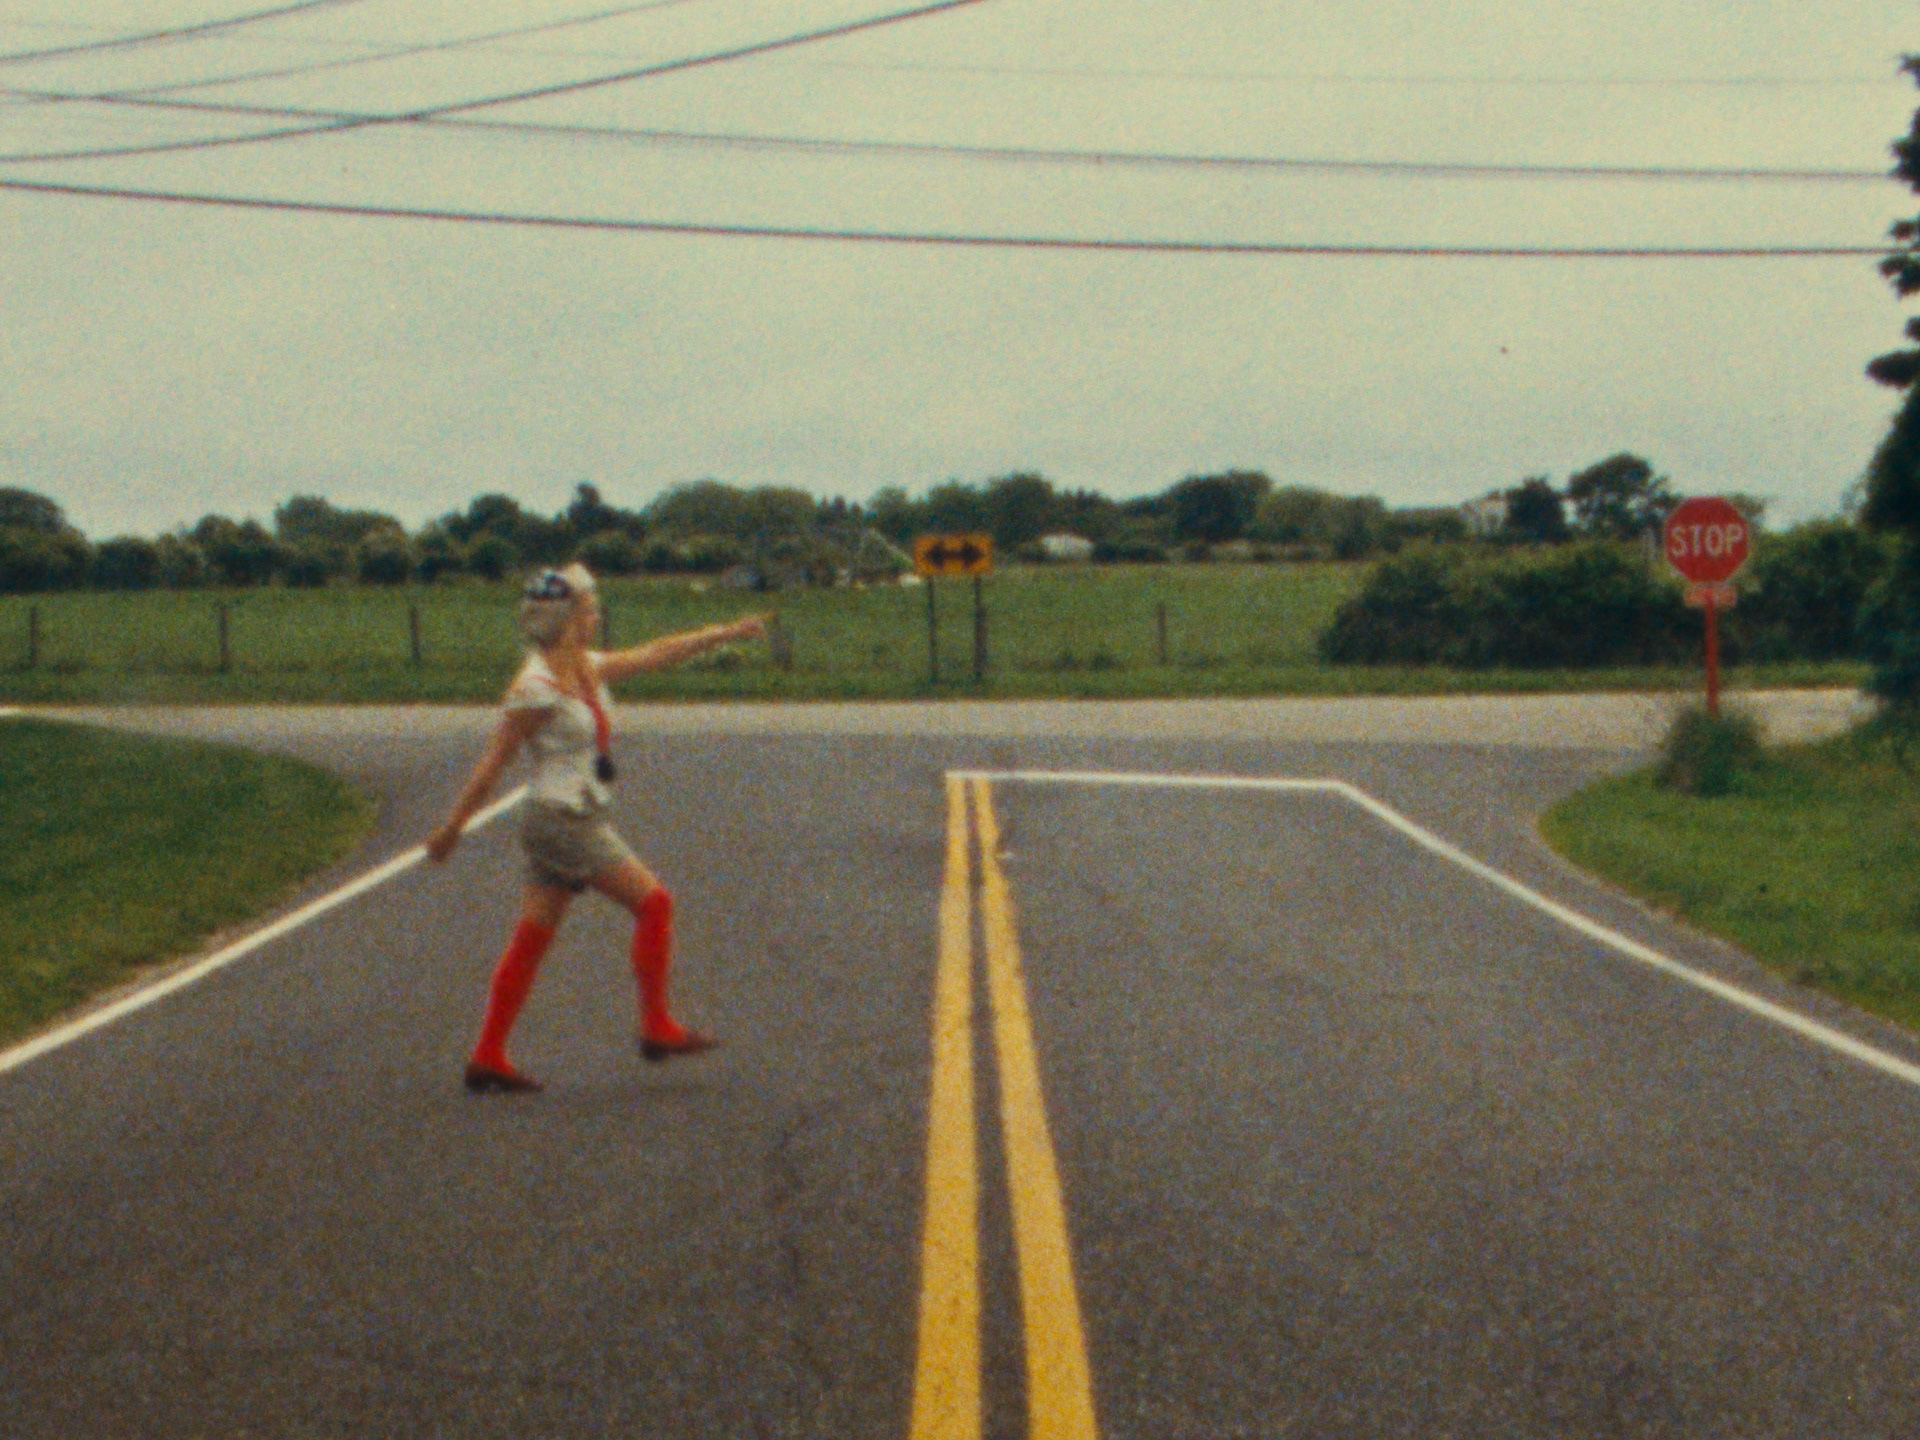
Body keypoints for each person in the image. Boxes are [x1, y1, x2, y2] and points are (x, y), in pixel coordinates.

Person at [427, 561, 768, 1093]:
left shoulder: (583, 668)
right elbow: (493, 763)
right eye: (587, 610)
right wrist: (453, 827)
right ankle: (656, 1026)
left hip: (570, 811)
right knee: (654, 903)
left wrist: (723, 633)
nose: (595, 616)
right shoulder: (535, 688)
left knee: (533, 936)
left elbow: (656, 653)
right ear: (565, 620)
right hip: (562, 819)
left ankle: (487, 1055)